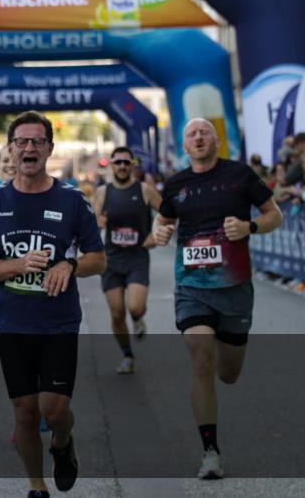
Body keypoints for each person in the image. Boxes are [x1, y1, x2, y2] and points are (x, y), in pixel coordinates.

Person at [0, 112, 105, 497]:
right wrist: (16, 265)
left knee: (54, 410)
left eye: (37, 142)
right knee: (24, 413)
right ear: (10, 149)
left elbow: (99, 258)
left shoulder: (72, 201)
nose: (29, 148)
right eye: (22, 142)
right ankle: (36, 486)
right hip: (11, 323)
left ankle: (63, 441)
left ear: (49, 148)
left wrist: (71, 263)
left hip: (58, 322)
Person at [152, 118, 282, 480]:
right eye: (191, 133)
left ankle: (228, 359)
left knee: (228, 373)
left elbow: (275, 215)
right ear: (184, 144)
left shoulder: (240, 175)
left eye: (204, 132)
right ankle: (210, 451)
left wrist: (249, 227)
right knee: (200, 358)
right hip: (191, 286)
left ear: (216, 139)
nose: (198, 137)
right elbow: (161, 222)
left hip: (235, 287)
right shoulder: (176, 184)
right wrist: (160, 232)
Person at [92, 146, 161, 374]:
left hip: (137, 258)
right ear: (111, 165)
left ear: (132, 165)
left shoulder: (145, 190)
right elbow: (90, 224)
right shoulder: (102, 192)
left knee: (135, 307)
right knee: (117, 313)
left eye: (126, 162)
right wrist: (97, 224)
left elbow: (168, 214)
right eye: (118, 162)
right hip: (111, 260)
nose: (122, 166)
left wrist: (155, 234)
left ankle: (139, 319)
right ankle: (127, 355)